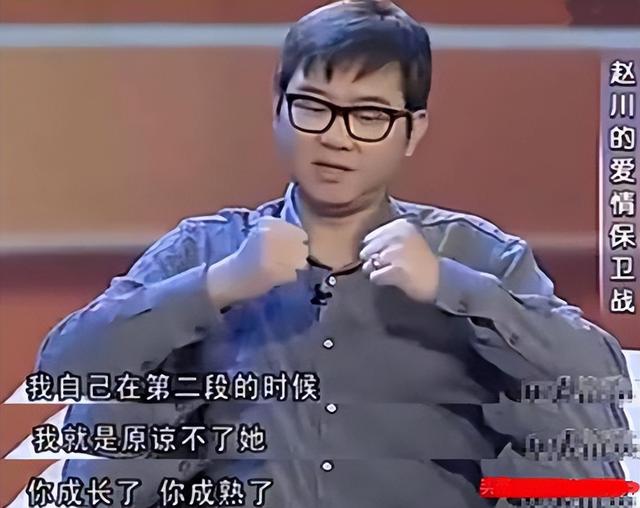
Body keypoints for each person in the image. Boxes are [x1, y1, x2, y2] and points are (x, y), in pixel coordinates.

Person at [36, 1, 632, 507]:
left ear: (412, 129)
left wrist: (453, 288)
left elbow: (598, 378)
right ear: (278, 109)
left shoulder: (476, 253)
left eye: (369, 115)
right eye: (313, 106)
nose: (336, 136)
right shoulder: (205, 248)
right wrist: (218, 284)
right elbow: (63, 366)